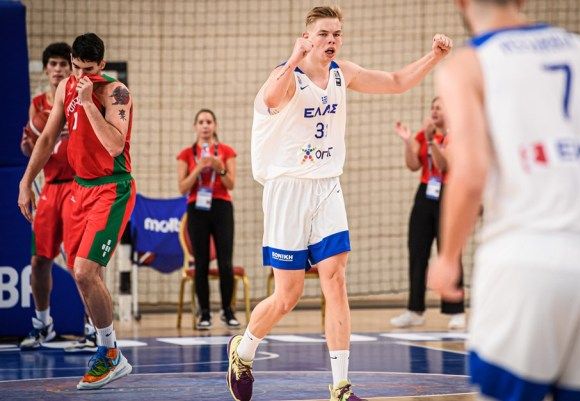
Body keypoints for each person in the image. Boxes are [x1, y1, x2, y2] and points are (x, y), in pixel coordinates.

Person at [226, 5, 452, 401]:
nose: (332, 40)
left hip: (327, 185)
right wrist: (293, 57)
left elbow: (396, 81)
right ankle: (243, 351)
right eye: (324, 34)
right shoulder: (288, 76)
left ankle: (341, 387)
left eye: (337, 34)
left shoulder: (341, 73)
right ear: (307, 38)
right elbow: (272, 98)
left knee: (336, 279)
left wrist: (434, 56)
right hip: (287, 188)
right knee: (288, 296)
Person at [428, 0, 580, 400]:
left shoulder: (467, 65)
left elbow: (470, 173)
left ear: (460, 3)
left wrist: (447, 257)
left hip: (527, 261)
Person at [18, 33, 135, 390]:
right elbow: (47, 137)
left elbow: (115, 145)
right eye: (76, 67)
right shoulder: (64, 87)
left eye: (89, 69)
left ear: (102, 65)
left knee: (84, 271)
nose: (81, 75)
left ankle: (109, 352)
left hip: (112, 188)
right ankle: (105, 347)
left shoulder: (116, 92)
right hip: (79, 190)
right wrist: (26, 181)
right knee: (79, 268)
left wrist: (87, 104)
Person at [390, 97, 465, 331]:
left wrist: (432, 141)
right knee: (417, 250)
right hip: (425, 193)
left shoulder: (456, 136)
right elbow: (413, 165)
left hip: (448, 194)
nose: (433, 111)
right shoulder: (423, 135)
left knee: (449, 252)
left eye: (438, 108)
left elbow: (444, 166)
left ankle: (456, 311)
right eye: (432, 107)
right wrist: (408, 142)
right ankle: (415, 310)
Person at [18, 42, 75, 349]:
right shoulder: (37, 104)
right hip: (51, 187)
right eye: (53, 64)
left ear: (71, 68)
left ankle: (93, 328)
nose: (58, 69)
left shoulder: (79, 100)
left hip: (79, 185)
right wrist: (29, 148)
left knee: (82, 262)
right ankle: (43, 325)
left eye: (63, 64)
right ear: (45, 69)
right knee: (39, 259)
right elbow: (34, 149)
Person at [176, 109, 239, 330]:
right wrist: (199, 169)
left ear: (215, 125)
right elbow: (182, 188)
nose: (205, 125)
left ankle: (228, 310)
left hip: (221, 206)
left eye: (209, 121)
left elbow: (231, 184)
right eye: (201, 122)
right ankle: (204, 313)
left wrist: (220, 169)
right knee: (201, 261)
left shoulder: (226, 151)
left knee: (225, 261)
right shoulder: (186, 154)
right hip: (197, 208)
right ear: (195, 126)